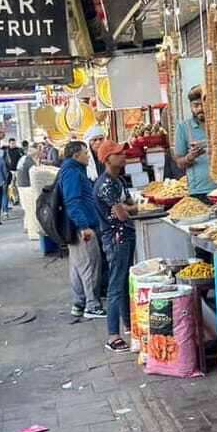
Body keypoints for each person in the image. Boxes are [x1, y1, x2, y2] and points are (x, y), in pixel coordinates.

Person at [95, 140, 138, 352]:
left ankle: (129, 325)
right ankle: (112, 336)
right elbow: (122, 213)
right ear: (108, 158)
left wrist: (125, 210)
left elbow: (130, 208)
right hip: (116, 239)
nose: (124, 155)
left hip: (126, 235)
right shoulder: (105, 185)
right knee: (115, 286)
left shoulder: (118, 180)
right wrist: (125, 210)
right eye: (119, 153)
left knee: (123, 283)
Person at [58, 141, 107, 320]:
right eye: (85, 153)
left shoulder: (73, 170)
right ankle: (92, 306)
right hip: (82, 228)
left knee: (78, 267)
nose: (88, 156)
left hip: (78, 226)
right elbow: (72, 202)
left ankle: (79, 303)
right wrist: (84, 226)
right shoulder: (71, 172)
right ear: (76, 155)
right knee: (90, 266)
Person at [173, 85, 217, 204]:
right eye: (196, 105)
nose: (200, 109)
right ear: (190, 106)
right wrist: (190, 157)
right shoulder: (183, 128)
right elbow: (179, 162)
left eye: (204, 104)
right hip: (198, 191)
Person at [84, 125, 109, 301]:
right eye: (94, 140)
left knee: (107, 251)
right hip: (94, 214)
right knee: (98, 253)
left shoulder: (106, 158)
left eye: (100, 139)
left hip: (107, 211)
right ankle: (100, 288)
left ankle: (106, 286)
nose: (98, 143)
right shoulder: (86, 164)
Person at [16, 148, 37, 231]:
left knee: (26, 206)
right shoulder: (29, 162)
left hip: (21, 185)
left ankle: (27, 225)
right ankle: (29, 225)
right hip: (27, 185)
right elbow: (34, 174)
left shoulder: (22, 159)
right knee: (29, 206)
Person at [3, 138, 23, 206]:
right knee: (12, 186)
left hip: (18, 170)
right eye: (11, 143)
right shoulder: (7, 151)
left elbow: (23, 158)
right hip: (10, 171)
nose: (13, 144)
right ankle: (15, 199)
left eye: (14, 143)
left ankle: (21, 199)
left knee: (19, 184)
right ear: (9, 144)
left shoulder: (19, 150)